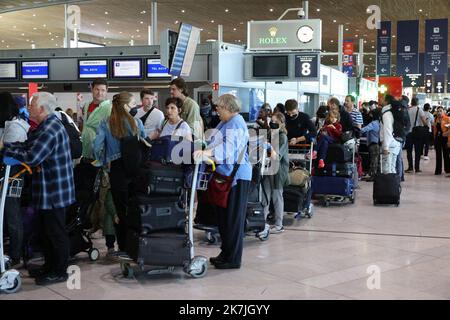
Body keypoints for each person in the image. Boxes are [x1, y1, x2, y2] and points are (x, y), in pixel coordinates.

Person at [3, 92, 75, 285]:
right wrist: (7, 146)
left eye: (33, 104)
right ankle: (49, 267)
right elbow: (28, 145)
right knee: (46, 232)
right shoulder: (44, 126)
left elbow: (33, 156)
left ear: (42, 109)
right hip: (48, 190)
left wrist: (5, 149)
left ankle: (60, 272)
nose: (29, 108)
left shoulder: (51, 129)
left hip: (54, 191)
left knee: (56, 233)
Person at [193, 94, 251, 269]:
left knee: (233, 219)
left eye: (219, 108)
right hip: (225, 175)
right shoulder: (225, 122)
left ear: (228, 108)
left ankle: (233, 259)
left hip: (237, 177)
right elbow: (214, 142)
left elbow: (228, 149)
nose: (216, 111)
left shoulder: (237, 123)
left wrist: (207, 153)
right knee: (224, 219)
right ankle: (225, 253)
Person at [93, 92, 145, 254]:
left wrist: (103, 162)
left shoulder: (106, 123)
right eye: (133, 103)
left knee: (120, 211)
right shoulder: (136, 122)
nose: (136, 106)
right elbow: (143, 143)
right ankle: (137, 245)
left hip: (116, 170)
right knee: (135, 207)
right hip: (135, 169)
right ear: (125, 106)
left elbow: (97, 147)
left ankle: (123, 247)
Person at [0, 92, 30, 268]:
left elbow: (8, 155)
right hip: (9, 177)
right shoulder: (9, 125)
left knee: (12, 214)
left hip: (15, 177)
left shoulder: (16, 127)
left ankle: (15, 254)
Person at [260, 112, 290, 235]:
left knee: (277, 196)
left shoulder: (282, 137)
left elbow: (277, 156)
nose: (272, 123)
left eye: (275, 121)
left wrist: (268, 147)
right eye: (271, 120)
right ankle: (261, 221)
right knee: (265, 195)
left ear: (281, 124)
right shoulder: (270, 133)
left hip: (279, 169)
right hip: (268, 168)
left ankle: (279, 224)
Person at [405, 98, 428, 174]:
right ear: (417, 102)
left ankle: (410, 167)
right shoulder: (419, 110)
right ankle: (417, 168)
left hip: (408, 133)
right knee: (418, 151)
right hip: (417, 133)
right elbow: (424, 122)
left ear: (411, 102)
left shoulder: (407, 110)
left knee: (409, 151)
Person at [380, 96, 402, 174]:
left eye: (382, 99)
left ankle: (390, 186)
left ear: (386, 102)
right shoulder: (391, 112)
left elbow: (387, 130)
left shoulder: (387, 114)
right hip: (395, 143)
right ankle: (395, 185)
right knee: (392, 169)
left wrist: (385, 147)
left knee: (387, 171)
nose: (380, 100)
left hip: (390, 145)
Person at [360, 108, 381, 181]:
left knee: (373, 160)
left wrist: (358, 130)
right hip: (377, 143)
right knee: (376, 160)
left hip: (373, 144)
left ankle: (373, 176)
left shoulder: (373, 123)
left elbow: (364, 129)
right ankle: (374, 174)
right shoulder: (379, 122)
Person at [433, 106, 450, 176]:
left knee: (446, 154)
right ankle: (438, 170)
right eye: (438, 111)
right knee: (438, 155)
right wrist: (434, 139)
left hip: (445, 139)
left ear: (443, 111)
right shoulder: (436, 119)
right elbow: (435, 130)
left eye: (441, 111)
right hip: (438, 138)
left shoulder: (447, 119)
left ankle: (448, 169)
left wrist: (449, 140)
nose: (439, 112)